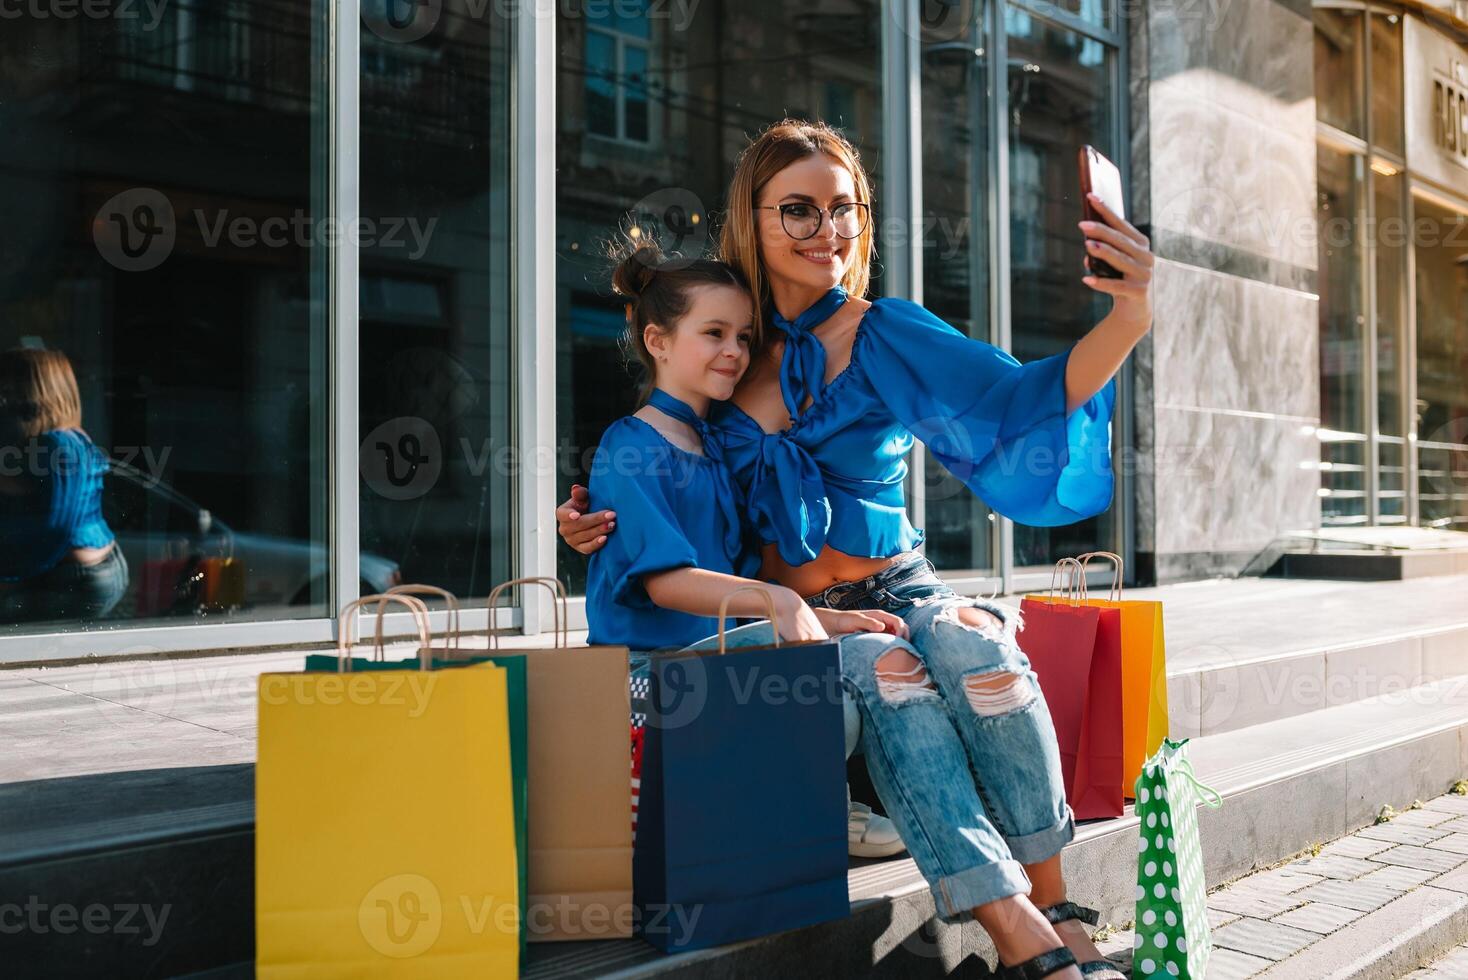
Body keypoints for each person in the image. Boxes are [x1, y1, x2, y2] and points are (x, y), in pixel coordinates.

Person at [562, 118, 1152, 980]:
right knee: (892, 671)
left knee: (976, 646)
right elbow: (658, 462)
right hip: (800, 625)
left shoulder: (887, 333)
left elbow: (1020, 399)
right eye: (797, 210)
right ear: (751, 219)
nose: (826, 231)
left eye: (843, 208)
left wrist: (1130, 314)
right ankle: (1018, 932)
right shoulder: (722, 337)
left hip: (896, 583)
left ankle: (1059, 912)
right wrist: (587, 513)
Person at [587, 240, 914, 857]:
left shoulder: (714, 445)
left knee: (866, 659)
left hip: (708, 661)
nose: (734, 351)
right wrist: (779, 604)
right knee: (819, 697)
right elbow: (667, 584)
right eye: (713, 333)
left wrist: (827, 615)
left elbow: (734, 596)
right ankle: (812, 813)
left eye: (743, 336)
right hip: (637, 685)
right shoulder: (631, 445)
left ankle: (797, 807)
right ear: (658, 342)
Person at [0, 348, 128, 624]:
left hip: (78, 578)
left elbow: (56, 527)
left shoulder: (59, 446)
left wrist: (8, 578)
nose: (4, 397)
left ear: (32, 393)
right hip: (79, 572)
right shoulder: (62, 440)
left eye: (9, 387)